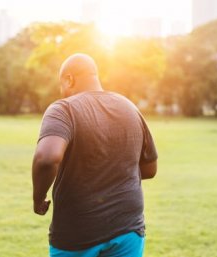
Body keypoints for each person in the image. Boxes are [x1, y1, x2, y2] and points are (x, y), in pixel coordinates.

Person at [32, 53, 158, 257]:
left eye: (61, 84)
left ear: (69, 79)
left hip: (78, 231)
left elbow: (47, 158)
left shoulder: (63, 109)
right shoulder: (130, 107)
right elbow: (150, 169)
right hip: (128, 228)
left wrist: (38, 199)